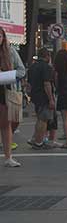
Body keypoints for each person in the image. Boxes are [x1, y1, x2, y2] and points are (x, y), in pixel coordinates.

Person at [0, 28, 25, 167]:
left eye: (0, 35)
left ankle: (8, 157)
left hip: (6, 91)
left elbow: (21, 70)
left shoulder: (10, 52)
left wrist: (9, 75)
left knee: (7, 124)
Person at [27, 48, 55, 151]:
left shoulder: (32, 67)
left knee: (39, 118)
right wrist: (51, 98)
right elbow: (47, 83)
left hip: (35, 96)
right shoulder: (46, 67)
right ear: (47, 56)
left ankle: (35, 139)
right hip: (44, 96)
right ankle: (39, 142)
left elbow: (29, 84)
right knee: (43, 120)